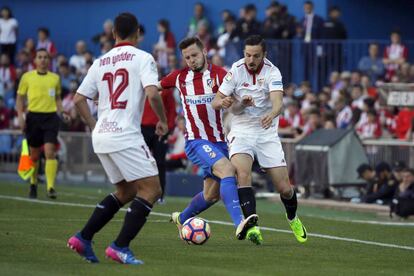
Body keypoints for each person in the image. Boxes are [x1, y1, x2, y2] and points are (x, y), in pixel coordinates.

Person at [67, 12, 168, 265]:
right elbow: (153, 94)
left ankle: (83, 237)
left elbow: (79, 99)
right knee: (152, 189)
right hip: (125, 134)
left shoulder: (100, 62)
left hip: (102, 135)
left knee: (126, 191)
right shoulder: (143, 58)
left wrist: (93, 124)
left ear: (113, 34)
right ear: (137, 33)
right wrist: (163, 120)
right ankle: (120, 246)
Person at [160, 37, 258, 244]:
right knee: (228, 170)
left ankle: (182, 218)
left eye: (194, 55)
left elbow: (235, 108)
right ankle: (240, 222)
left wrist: (243, 104)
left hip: (219, 142)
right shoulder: (178, 77)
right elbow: (153, 88)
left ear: (204, 52)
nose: (191, 60)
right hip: (196, 141)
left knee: (211, 196)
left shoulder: (221, 75)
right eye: (187, 57)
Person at [212, 35, 308, 244]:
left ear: (264, 55)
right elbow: (216, 102)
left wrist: (272, 114)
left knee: (284, 188)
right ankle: (252, 226)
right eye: (247, 55)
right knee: (243, 174)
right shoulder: (236, 70)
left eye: (255, 55)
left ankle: (292, 217)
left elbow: (278, 103)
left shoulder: (272, 71)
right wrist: (228, 102)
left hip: (266, 132)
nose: (251, 59)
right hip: (242, 130)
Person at [15, 48, 69, 199]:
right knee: (34, 155)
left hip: (51, 117)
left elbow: (57, 98)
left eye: (46, 57)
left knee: (50, 152)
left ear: (49, 60)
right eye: (40, 57)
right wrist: (20, 115)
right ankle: (33, 184)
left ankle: (50, 187)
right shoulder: (27, 77)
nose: (43, 59)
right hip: (33, 118)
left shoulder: (55, 78)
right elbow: (20, 98)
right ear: (35, 60)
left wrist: (62, 111)